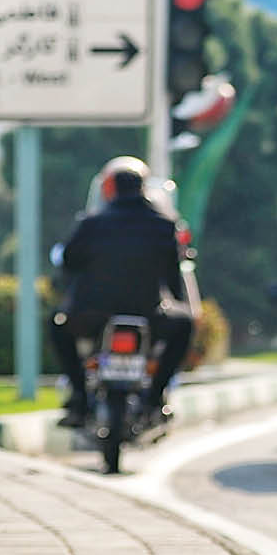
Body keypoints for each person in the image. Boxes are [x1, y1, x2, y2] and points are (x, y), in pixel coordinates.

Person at [51, 156, 195, 429]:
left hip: (91, 316)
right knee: (185, 323)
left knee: (57, 325)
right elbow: (172, 272)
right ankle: (155, 397)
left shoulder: (91, 223)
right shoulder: (163, 225)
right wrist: (175, 303)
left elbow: (69, 260)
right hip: (150, 315)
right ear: (143, 188)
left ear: (110, 189)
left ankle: (79, 397)